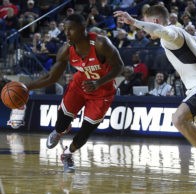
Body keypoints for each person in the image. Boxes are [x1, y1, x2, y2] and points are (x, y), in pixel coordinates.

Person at [114, 5, 196, 184]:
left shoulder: (170, 34)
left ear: (154, 22)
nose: (145, 29)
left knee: (178, 119)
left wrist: (134, 22)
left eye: (146, 24)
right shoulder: (182, 33)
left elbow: (160, 30)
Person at [24, 14, 124, 172]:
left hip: (103, 91)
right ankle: (59, 132)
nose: (67, 33)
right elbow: (52, 77)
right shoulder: (66, 50)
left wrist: (98, 82)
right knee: (60, 124)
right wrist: (27, 87)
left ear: (83, 29)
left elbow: (119, 66)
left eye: (71, 29)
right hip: (79, 85)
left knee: (85, 132)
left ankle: (67, 155)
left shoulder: (100, 43)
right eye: (65, 29)